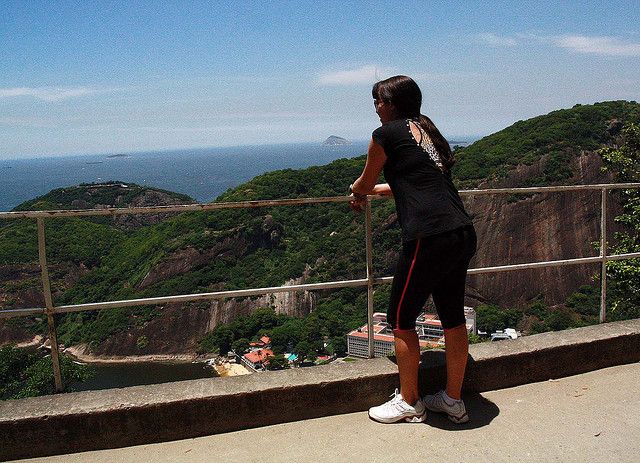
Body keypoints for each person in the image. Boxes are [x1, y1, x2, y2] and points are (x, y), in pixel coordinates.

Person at [349, 75, 476, 424]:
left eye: (379, 101)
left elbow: (365, 177)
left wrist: (359, 190)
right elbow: (418, 181)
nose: (376, 107)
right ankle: (452, 399)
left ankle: (409, 401)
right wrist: (381, 191)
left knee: (400, 320)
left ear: (392, 104)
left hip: (429, 236)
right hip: (461, 231)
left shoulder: (385, 134)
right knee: (452, 317)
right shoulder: (428, 132)